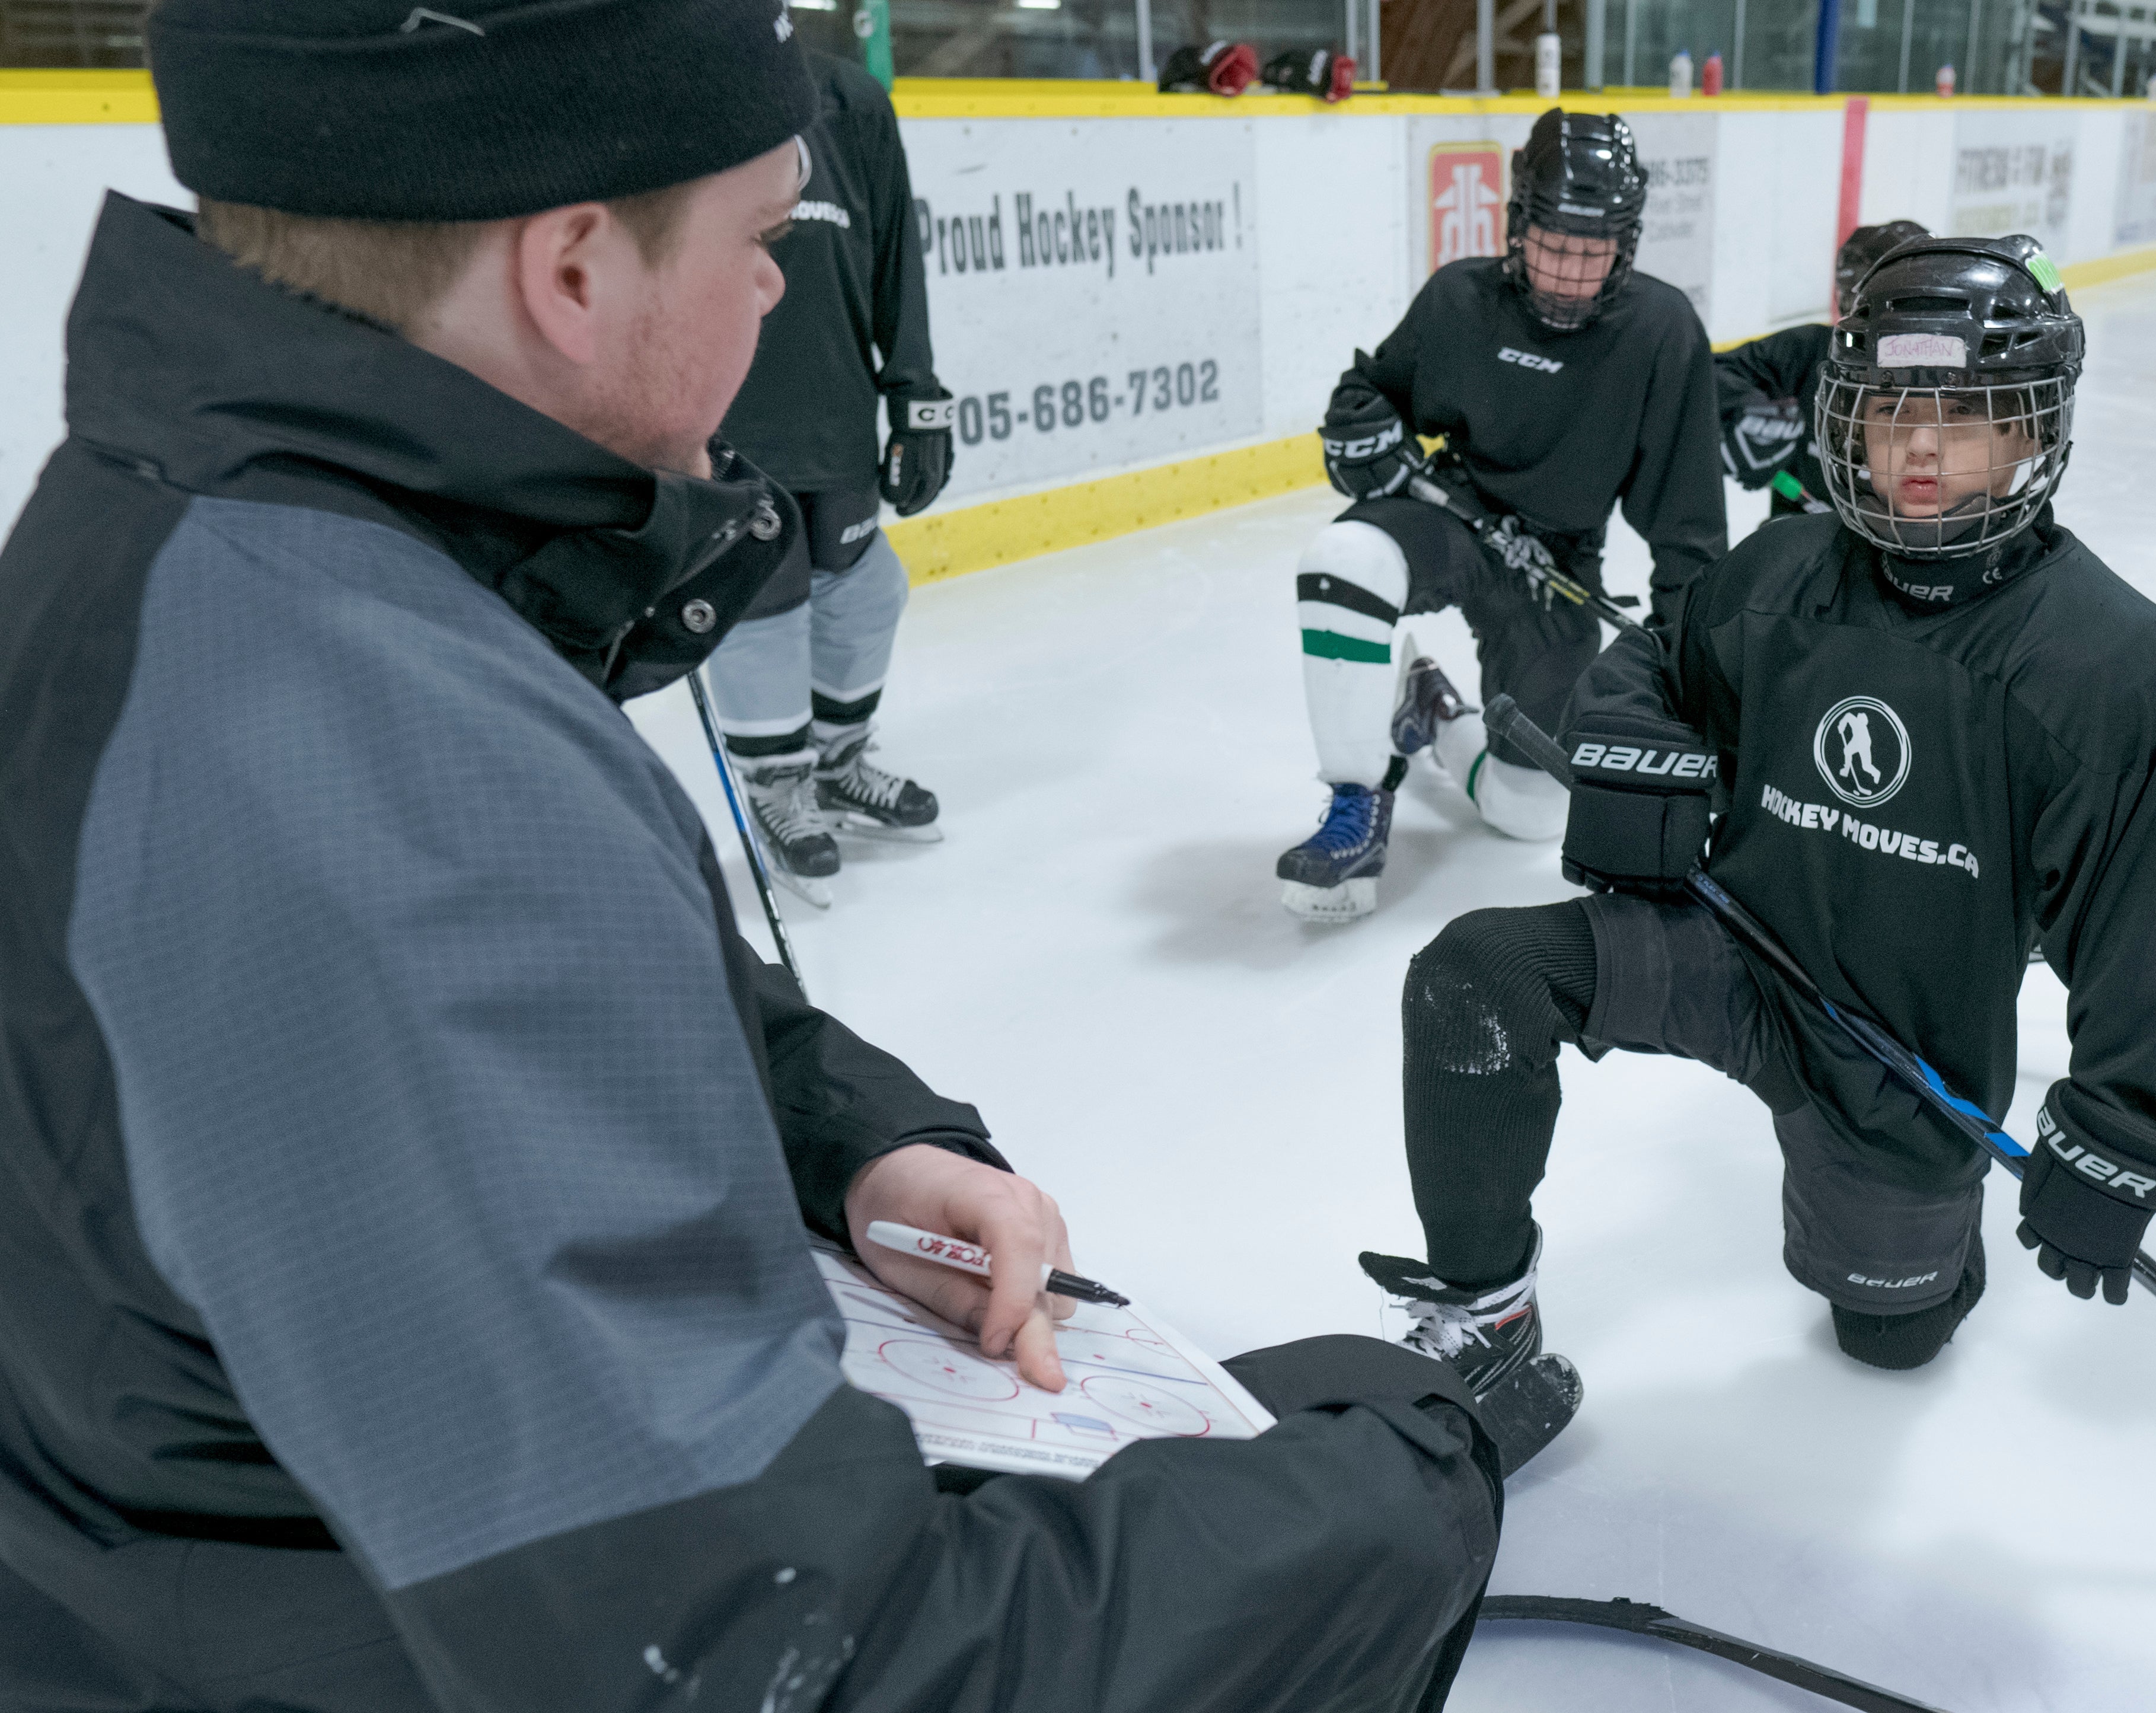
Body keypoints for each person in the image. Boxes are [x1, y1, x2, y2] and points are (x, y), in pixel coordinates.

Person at [0, 5, 1500, 1707]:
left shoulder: (196, 540)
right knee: (1351, 1441)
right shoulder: (393, 782)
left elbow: (462, 1053)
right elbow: (798, 1674)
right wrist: (1415, 1475)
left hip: (177, 1585)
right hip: (309, 1650)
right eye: (763, 235)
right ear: (571, 269)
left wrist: (846, 1139)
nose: (783, 288)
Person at [1353, 234, 2156, 1456]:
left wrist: (2121, 1130)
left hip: (1897, 1036)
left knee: (1889, 1334)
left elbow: (2144, 936)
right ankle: (1486, 1316)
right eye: (1886, 411)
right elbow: (1654, 659)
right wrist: (1634, 741)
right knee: (1474, 976)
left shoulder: (2112, 666)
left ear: (2031, 434)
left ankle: (1915, 1241)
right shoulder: (1784, 570)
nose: (1917, 449)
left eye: (1963, 416)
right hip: (1731, 945)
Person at [1280, 107, 1727, 922]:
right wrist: (1359, 427)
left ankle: (1434, 711)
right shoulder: (1459, 300)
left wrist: (1685, 664)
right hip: (1453, 517)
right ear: (1517, 227)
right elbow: (1372, 391)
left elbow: (1687, 526)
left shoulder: (1660, 335)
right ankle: (1355, 800)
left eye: (1590, 255)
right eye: (1552, 247)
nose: (1566, 274)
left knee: (1530, 812)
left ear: (1624, 246)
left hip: (1558, 567)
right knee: (1342, 558)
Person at [701, 44, 952, 888]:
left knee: (861, 582)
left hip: (838, 398)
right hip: (725, 406)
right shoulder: (680, 74)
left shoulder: (848, 93)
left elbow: (895, 246)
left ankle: (838, 760)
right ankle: (778, 783)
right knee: (761, 594)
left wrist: (916, 392)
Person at [1712, 219, 1927, 520]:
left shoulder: (1964, 374)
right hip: (1806, 541)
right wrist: (1749, 413)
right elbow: (1711, 375)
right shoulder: (1811, 351)